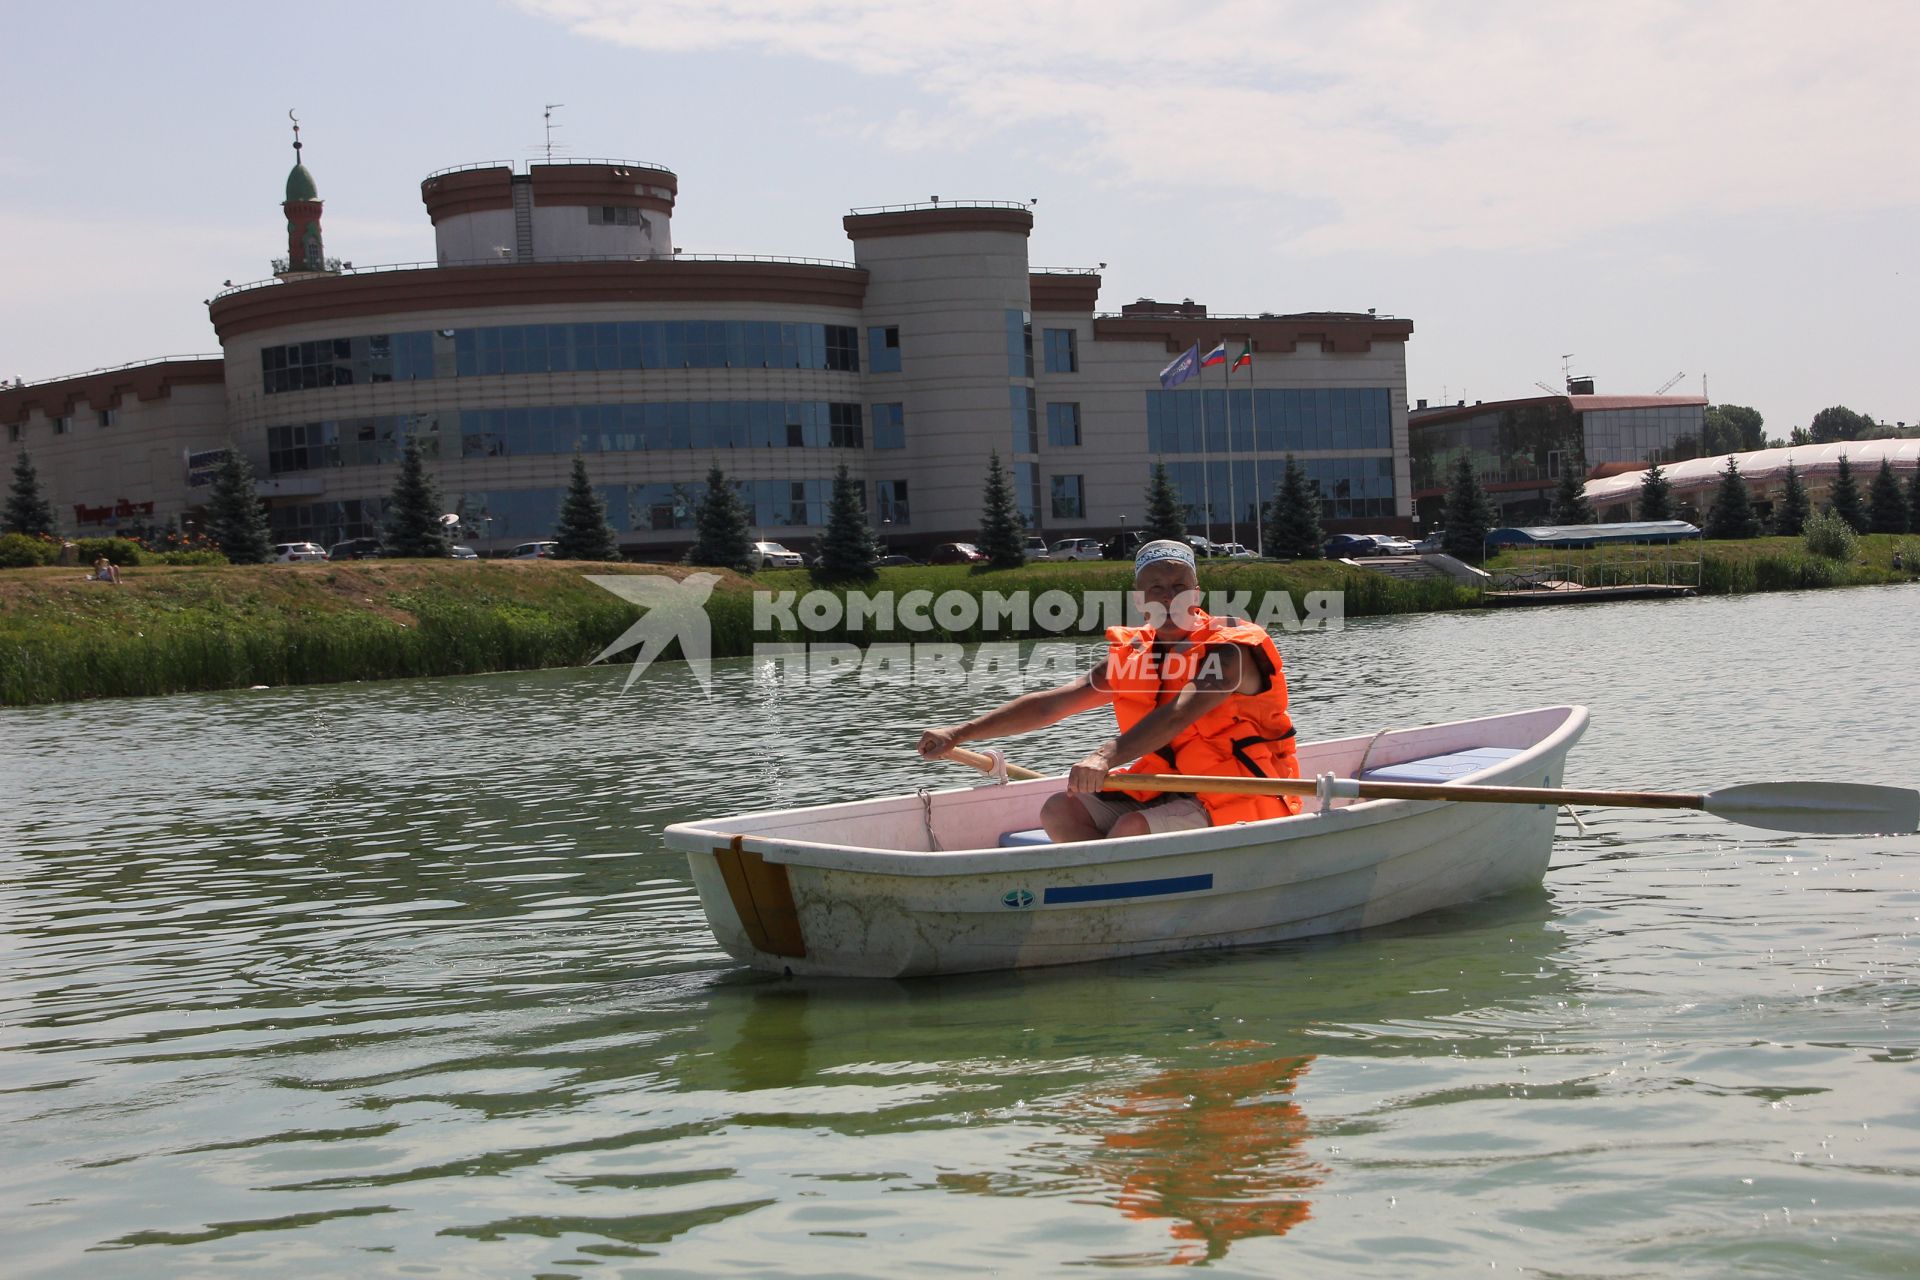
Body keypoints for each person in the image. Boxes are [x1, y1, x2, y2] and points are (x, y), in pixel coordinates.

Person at [917, 539, 1300, 841]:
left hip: (1247, 792)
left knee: (1131, 829)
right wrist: (959, 733)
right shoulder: (1135, 653)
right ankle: (1102, 897)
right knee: (1059, 810)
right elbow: (1052, 705)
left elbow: (1181, 711)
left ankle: (1110, 898)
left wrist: (1103, 758)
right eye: (1157, 588)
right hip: (1167, 786)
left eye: (1180, 586)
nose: (1169, 597)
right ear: (1140, 598)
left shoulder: (1232, 649)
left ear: (1196, 593)